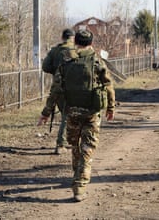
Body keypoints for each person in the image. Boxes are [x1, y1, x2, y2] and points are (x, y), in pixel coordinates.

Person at [37, 29, 116, 202]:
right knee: (88, 149)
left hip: (71, 111)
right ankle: (79, 185)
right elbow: (108, 84)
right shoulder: (96, 60)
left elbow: (56, 90)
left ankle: (77, 175)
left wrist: (46, 113)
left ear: (76, 42)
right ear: (91, 43)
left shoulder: (66, 60)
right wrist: (110, 107)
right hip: (92, 113)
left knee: (75, 146)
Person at [42, 28, 77, 154]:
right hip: (72, 88)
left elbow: (45, 66)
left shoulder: (55, 51)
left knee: (65, 115)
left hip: (57, 88)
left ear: (62, 38)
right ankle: (60, 144)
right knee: (67, 116)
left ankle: (66, 141)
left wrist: (56, 72)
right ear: (73, 38)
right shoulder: (75, 51)